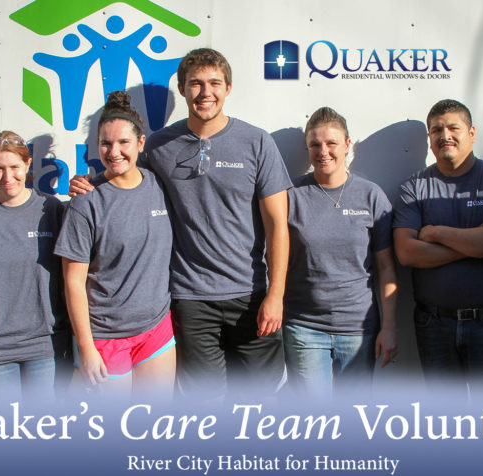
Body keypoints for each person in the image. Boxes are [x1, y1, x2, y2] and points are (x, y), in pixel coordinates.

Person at [71, 48, 291, 399]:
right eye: (196, 84)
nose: (206, 92)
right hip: (190, 300)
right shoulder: (159, 145)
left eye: (214, 83)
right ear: (183, 88)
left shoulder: (257, 142)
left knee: (260, 401)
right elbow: (124, 172)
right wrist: (89, 183)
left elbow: (278, 224)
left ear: (228, 88)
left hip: (251, 297)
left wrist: (276, 294)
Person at [392, 99, 483, 399]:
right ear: (429, 139)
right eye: (436, 129)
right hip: (434, 323)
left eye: (453, 127)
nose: (444, 135)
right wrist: (477, 243)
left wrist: (437, 233)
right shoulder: (414, 188)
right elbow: (407, 252)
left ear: (472, 133)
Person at [55, 91, 175, 398]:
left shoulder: (160, 186)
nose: (114, 151)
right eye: (106, 143)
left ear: (141, 143)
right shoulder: (86, 203)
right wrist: (86, 348)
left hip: (156, 331)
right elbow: (73, 282)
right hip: (105, 338)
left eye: (123, 143)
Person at [284, 107, 398, 398]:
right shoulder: (290, 196)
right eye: (315, 144)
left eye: (332, 143)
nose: (323, 151)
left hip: (358, 328)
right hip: (304, 327)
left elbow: (386, 268)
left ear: (348, 145)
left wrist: (390, 327)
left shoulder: (372, 196)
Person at [0, 131, 68, 405]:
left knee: (42, 435)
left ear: (27, 165)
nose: (7, 177)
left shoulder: (50, 209)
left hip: (43, 347)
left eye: (14, 167)